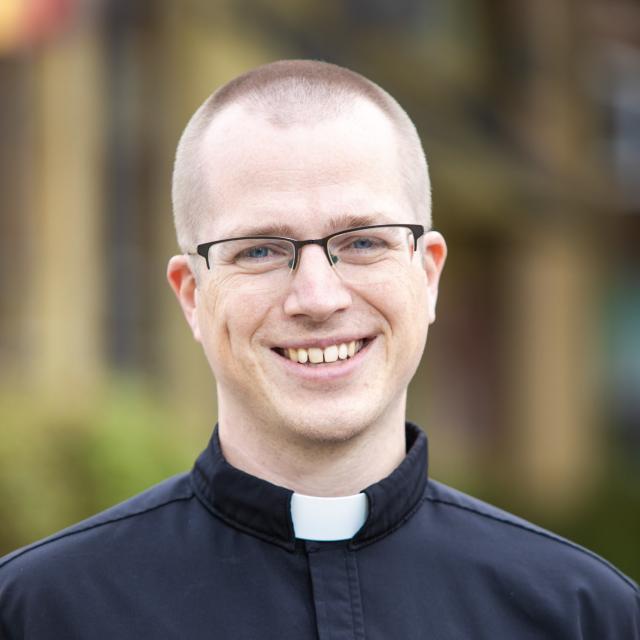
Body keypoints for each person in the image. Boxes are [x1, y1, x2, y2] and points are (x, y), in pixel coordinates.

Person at [0, 59, 638, 639]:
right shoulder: (39, 613)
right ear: (192, 295)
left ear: (428, 273)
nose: (317, 297)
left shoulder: (584, 615)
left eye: (363, 241)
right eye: (259, 250)